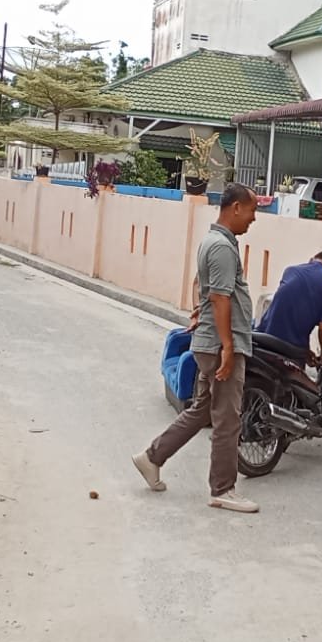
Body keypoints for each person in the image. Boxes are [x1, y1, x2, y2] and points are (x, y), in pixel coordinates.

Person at [133, 185, 261, 513]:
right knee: (228, 419)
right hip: (219, 345)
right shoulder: (220, 246)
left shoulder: (216, 242)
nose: (253, 218)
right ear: (235, 208)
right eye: (251, 211)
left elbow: (203, 288)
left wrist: (198, 314)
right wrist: (229, 347)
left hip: (212, 341)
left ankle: (152, 457)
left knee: (203, 409)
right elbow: (219, 297)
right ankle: (223, 489)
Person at [256, 251, 322, 361]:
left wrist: (306, 350)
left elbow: (291, 305)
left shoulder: (290, 270)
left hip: (263, 335)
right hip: (291, 346)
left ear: (311, 259)